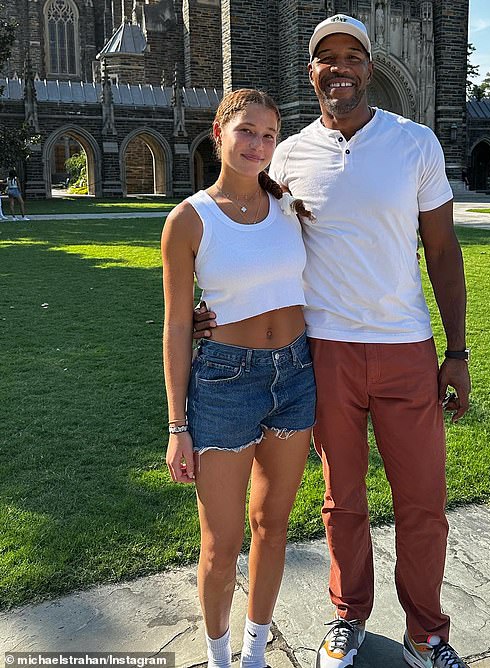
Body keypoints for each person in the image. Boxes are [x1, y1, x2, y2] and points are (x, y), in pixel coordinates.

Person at [194, 15, 472, 668]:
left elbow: (442, 248)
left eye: (352, 55)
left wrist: (456, 350)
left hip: (405, 348)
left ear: (368, 68)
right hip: (325, 354)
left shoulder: (415, 144)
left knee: (423, 505)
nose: (339, 67)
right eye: (327, 57)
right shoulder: (287, 156)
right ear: (311, 70)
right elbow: (248, 231)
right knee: (341, 501)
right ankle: (348, 617)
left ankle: (426, 634)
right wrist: (214, 309)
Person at [162, 88, 317, 668]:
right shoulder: (189, 220)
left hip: (296, 377)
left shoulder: (288, 207)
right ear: (219, 133)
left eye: (269, 135)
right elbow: (177, 325)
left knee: (272, 527)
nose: (258, 145)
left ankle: (256, 650)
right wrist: (178, 424)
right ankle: (220, 655)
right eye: (247, 131)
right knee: (221, 543)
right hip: (226, 383)